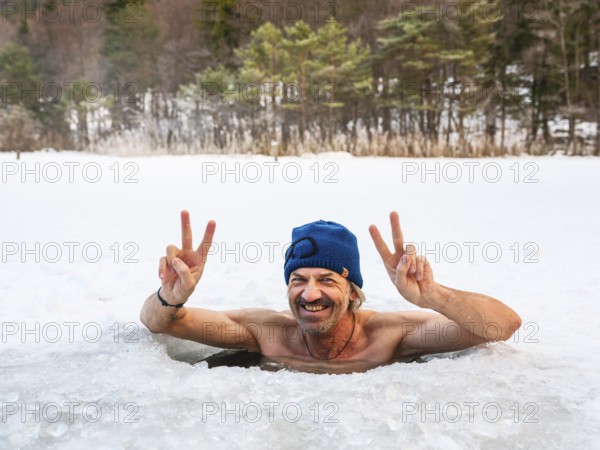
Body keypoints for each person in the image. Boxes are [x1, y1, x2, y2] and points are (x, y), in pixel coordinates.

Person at [140, 210, 521, 371]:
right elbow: (162, 322)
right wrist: (170, 297)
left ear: (353, 292)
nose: (309, 295)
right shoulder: (267, 332)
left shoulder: (389, 336)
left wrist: (432, 295)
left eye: (326, 280)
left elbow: (501, 326)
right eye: (298, 280)